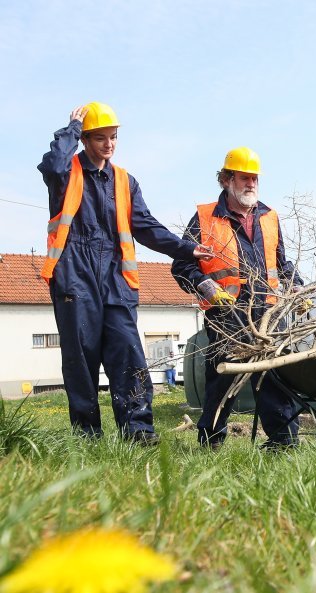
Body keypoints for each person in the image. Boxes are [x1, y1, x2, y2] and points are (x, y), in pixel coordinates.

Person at [38, 102, 210, 443]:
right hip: (75, 274)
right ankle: (87, 436)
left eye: (113, 137)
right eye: (100, 137)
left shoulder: (124, 182)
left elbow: (145, 226)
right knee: (80, 360)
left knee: (129, 354)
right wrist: (71, 128)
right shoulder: (65, 173)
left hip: (117, 280)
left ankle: (138, 431)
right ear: (85, 139)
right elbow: (52, 162)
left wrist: (185, 248)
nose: (108, 144)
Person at [172, 147, 304, 450]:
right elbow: (182, 266)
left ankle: (284, 442)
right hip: (226, 318)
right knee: (222, 382)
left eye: (255, 179)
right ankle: (211, 444)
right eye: (245, 178)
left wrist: (296, 285)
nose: (251, 184)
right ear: (226, 179)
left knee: (274, 378)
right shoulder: (205, 218)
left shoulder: (269, 217)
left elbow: (281, 264)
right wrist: (207, 288)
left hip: (267, 315)